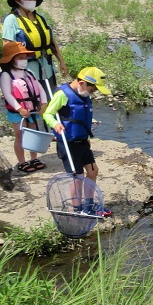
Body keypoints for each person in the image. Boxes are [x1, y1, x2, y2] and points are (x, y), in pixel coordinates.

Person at [41, 67, 112, 215]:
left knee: (93, 171)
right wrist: (55, 124)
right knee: (77, 177)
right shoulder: (62, 95)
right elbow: (48, 114)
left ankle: (89, 205)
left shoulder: (83, 94)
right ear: (82, 83)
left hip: (82, 141)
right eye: (92, 90)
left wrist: (87, 137)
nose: (92, 93)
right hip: (68, 143)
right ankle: (77, 208)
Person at [1, 0, 69, 93]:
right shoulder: (11, 20)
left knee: (50, 96)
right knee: (34, 97)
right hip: (28, 69)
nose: (30, 0)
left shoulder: (41, 18)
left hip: (47, 67)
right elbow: (7, 47)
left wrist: (61, 62)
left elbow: (51, 41)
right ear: (17, 0)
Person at [0, 40, 47, 173]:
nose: (24, 60)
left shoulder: (29, 73)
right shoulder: (6, 75)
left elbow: (40, 89)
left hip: (32, 110)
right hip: (17, 112)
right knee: (19, 135)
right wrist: (19, 109)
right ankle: (22, 161)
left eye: (25, 58)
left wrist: (44, 103)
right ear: (11, 60)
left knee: (33, 134)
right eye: (20, 58)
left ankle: (34, 158)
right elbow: (7, 94)